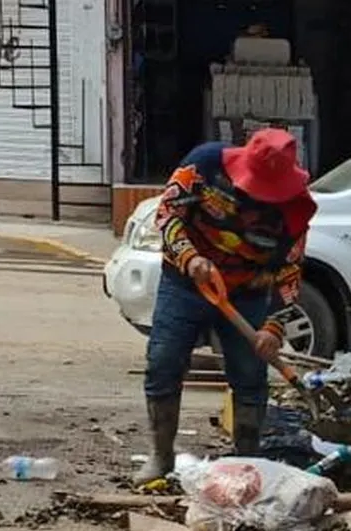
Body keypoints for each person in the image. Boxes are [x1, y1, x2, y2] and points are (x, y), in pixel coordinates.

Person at [133, 128, 316, 486]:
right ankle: (161, 456)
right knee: (164, 361)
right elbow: (168, 214)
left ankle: (247, 464)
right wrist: (189, 257)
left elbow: (290, 270)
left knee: (249, 376)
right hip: (186, 283)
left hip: (247, 293)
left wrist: (273, 329)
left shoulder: (294, 207)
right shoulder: (204, 166)